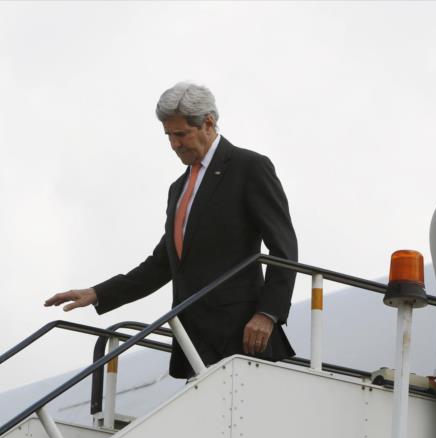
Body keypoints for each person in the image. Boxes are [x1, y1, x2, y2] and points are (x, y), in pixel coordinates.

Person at [45, 82, 298, 378]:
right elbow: (163, 264)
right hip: (194, 340)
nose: (174, 144)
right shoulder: (178, 189)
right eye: (169, 136)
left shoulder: (249, 167)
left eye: (181, 134)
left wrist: (268, 313)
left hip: (243, 335)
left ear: (208, 123)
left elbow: (284, 248)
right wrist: (98, 293)